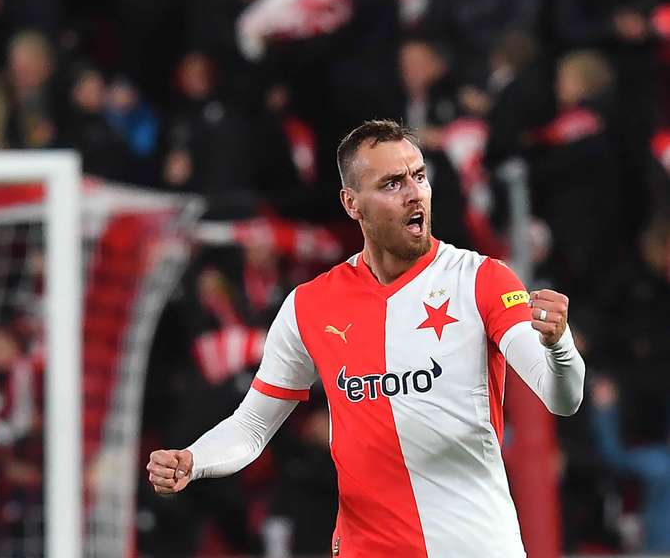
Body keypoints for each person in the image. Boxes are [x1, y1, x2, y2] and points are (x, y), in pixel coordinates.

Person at [147, 120, 586, 556]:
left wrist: (558, 346)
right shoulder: (311, 306)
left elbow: (560, 397)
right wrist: (194, 459)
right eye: (392, 183)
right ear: (352, 203)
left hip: (475, 545)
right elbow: (254, 425)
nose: (414, 192)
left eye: (418, 176)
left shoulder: (481, 280)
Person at [590, 377, 670, 553]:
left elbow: (613, 457)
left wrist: (605, 410)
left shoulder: (659, 463)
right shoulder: (659, 463)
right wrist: (605, 411)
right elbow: (614, 458)